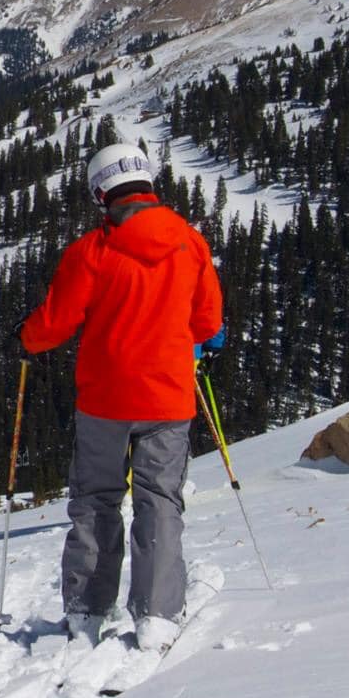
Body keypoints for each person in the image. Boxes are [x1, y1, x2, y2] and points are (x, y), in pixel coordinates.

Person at [18, 142, 224, 650]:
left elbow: (55, 324)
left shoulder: (90, 253)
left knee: (95, 501)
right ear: (148, 184)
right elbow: (208, 322)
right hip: (168, 399)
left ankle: (87, 611)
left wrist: (23, 340)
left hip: (105, 400)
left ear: (100, 193)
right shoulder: (190, 245)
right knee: (159, 502)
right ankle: (156, 616)